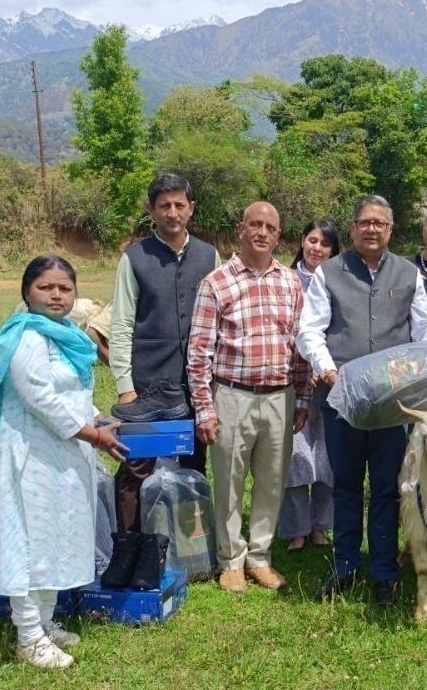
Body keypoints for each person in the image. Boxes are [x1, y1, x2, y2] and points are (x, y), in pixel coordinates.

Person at [0, 255, 124, 668]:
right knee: (30, 543)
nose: (56, 295)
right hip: (30, 457)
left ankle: (46, 624)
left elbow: (73, 396)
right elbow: (41, 400)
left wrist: (97, 418)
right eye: (45, 287)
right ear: (26, 292)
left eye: (64, 288)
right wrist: (93, 434)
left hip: (66, 457)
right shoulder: (24, 337)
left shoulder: (67, 335)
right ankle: (28, 636)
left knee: (55, 539)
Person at [296, 195, 427, 604]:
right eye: (365, 222)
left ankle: (382, 571)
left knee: (385, 488)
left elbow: (424, 326)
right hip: (341, 398)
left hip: (391, 404)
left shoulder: (408, 272)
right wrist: (330, 372)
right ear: (353, 227)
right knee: (345, 486)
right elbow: (310, 331)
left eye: (380, 223)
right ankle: (345, 566)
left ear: (390, 229)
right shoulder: (329, 272)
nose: (372, 229)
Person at [187, 202, 311, 594]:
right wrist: (205, 407)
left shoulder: (291, 282)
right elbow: (199, 351)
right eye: (254, 225)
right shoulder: (216, 283)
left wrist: (303, 398)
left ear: (278, 235)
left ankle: (259, 557)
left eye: (270, 227)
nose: (262, 232)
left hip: (280, 397)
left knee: (272, 481)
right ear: (241, 229)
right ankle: (230, 560)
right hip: (232, 397)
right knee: (229, 481)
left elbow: (299, 343)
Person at [108, 174, 218, 540]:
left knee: (192, 463)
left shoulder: (208, 255)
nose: (172, 212)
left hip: (194, 386)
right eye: (164, 205)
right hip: (147, 386)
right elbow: (121, 324)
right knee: (137, 464)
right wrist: (126, 387)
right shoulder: (135, 259)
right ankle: (131, 542)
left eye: (179, 205)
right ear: (152, 210)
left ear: (191, 208)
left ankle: (190, 545)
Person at [279, 220, 341, 553]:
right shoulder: (286, 280)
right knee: (296, 456)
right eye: (312, 240)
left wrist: (324, 364)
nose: (317, 248)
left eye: (325, 243)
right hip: (294, 378)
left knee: (327, 456)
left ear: (333, 250)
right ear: (302, 242)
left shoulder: (339, 281)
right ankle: (295, 529)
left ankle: (320, 526)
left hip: (330, 382)